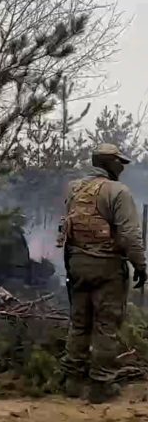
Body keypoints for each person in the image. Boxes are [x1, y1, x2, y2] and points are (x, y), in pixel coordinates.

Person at [58, 143, 146, 404]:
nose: (121, 166)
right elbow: (130, 236)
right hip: (107, 267)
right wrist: (141, 266)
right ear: (109, 163)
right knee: (106, 327)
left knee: (79, 324)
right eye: (119, 162)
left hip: (76, 265)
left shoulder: (75, 188)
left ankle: (72, 382)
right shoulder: (118, 191)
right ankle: (101, 386)